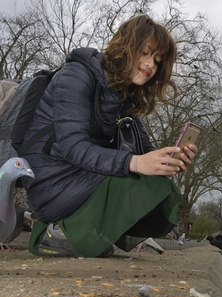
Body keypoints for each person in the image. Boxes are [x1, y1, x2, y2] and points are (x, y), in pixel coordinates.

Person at [21, 15, 197, 257]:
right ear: (126, 47)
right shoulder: (76, 76)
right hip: (51, 180)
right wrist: (134, 163)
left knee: (160, 184)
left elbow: (147, 151)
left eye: (157, 61)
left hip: (83, 176)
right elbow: (72, 147)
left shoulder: (124, 96)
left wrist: (170, 159)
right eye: (145, 53)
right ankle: (55, 233)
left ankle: (83, 234)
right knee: (141, 182)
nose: (151, 65)